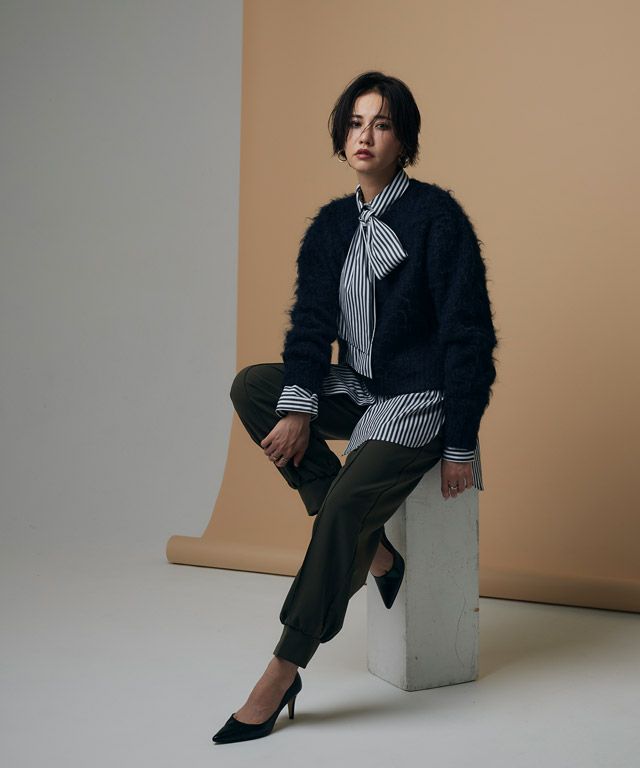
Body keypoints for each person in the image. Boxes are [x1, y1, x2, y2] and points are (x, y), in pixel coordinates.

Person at [212, 70, 499, 744]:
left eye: (382, 124)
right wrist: (297, 406)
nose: (365, 136)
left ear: (404, 141)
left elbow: (469, 337)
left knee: (344, 503)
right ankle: (374, 553)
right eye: (355, 123)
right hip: (361, 385)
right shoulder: (332, 225)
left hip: (421, 395)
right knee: (254, 387)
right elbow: (311, 326)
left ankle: (283, 669)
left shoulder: (437, 218)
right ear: (342, 137)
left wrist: (460, 443)